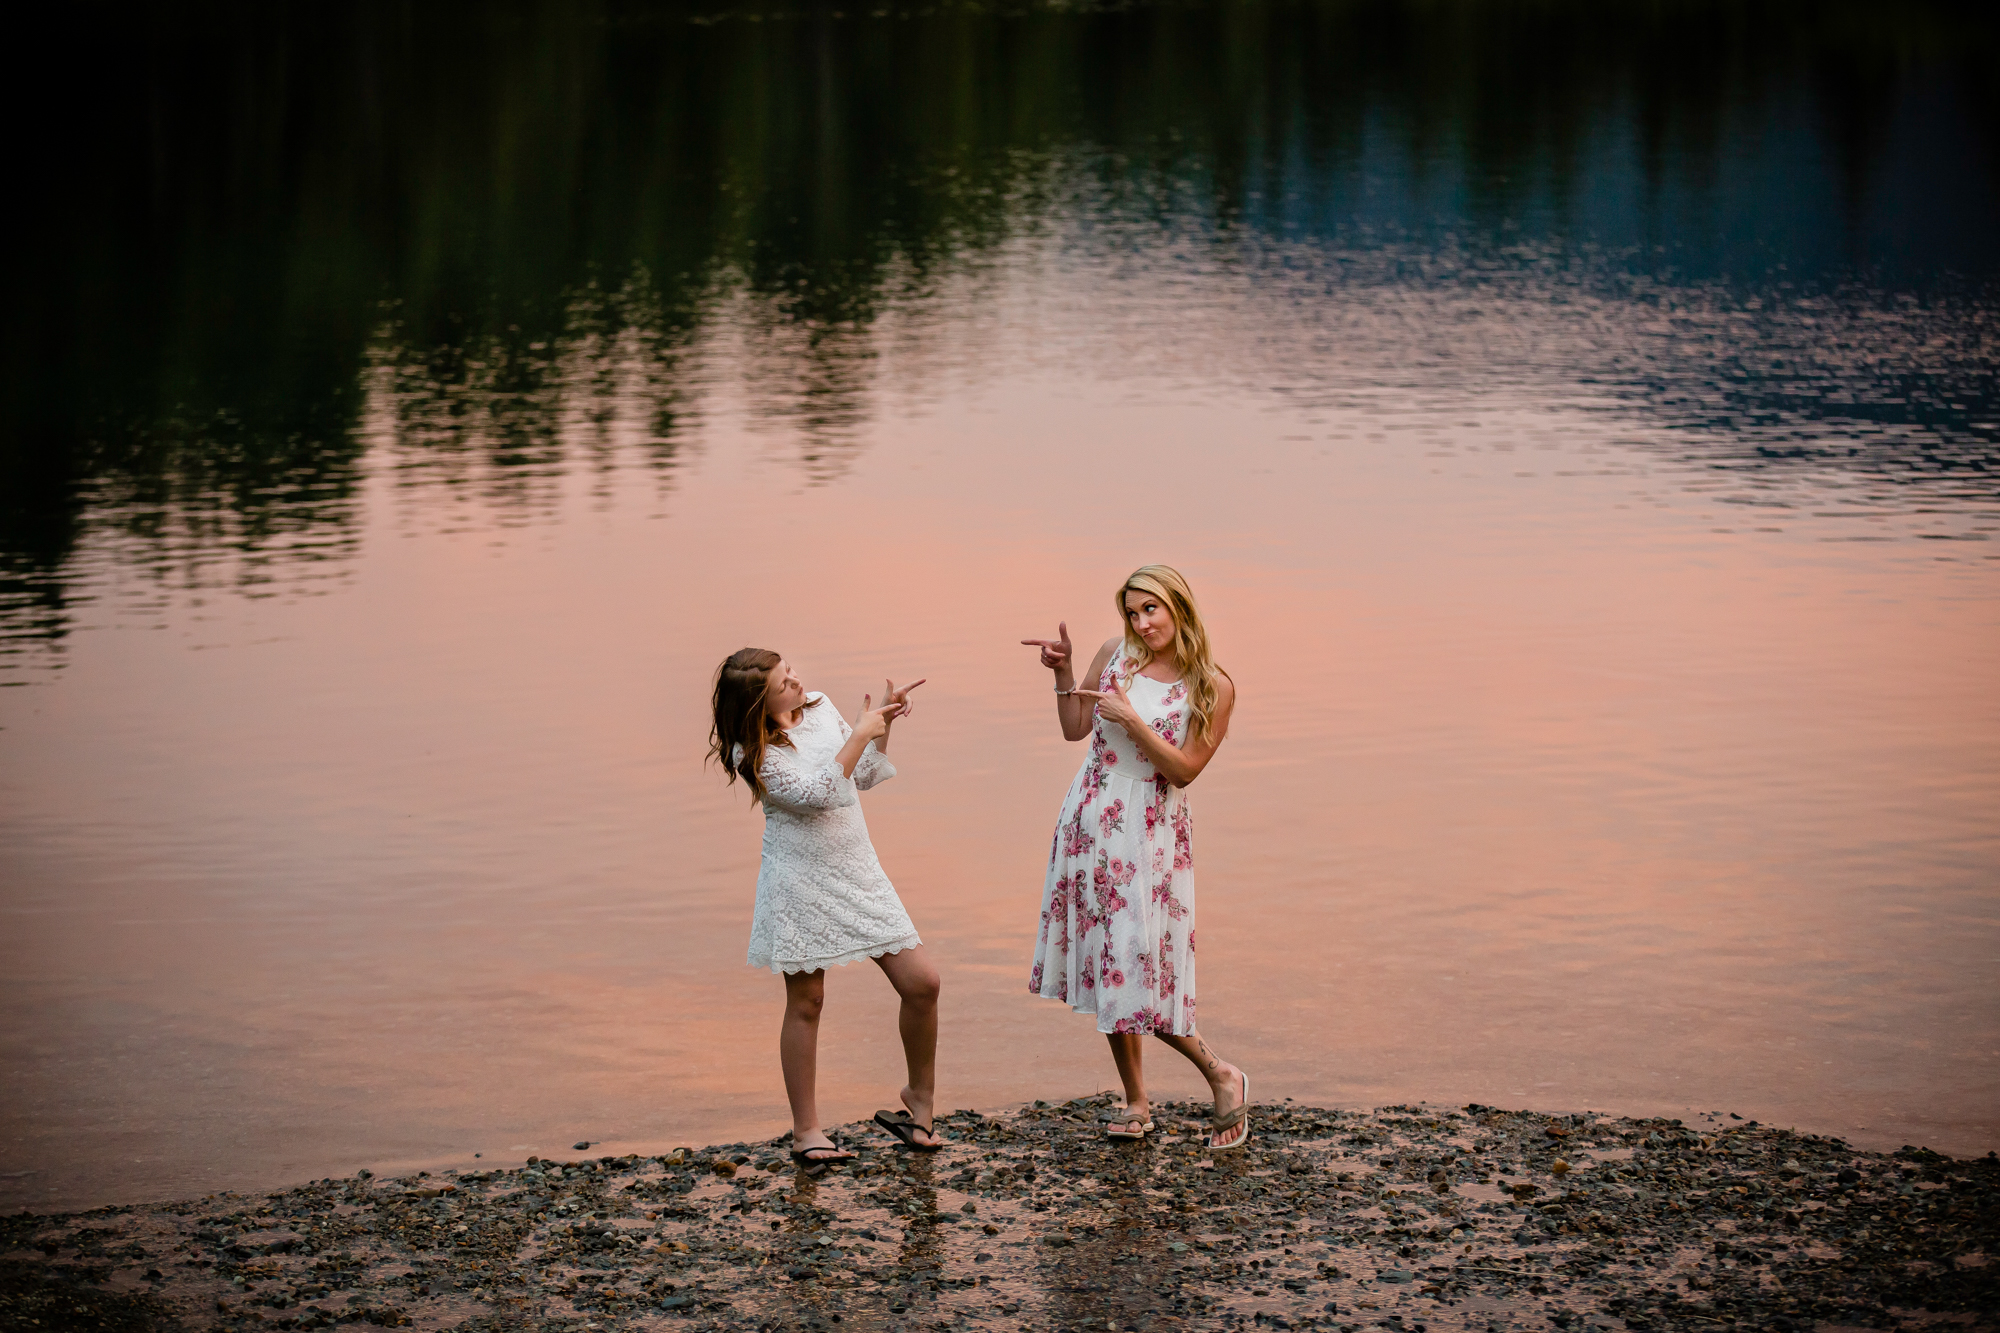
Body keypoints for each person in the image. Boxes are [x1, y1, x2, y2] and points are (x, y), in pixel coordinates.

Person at [1021, 564, 1252, 1149]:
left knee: (1142, 964)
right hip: (1091, 816)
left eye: (1151, 609)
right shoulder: (1114, 654)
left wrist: (1134, 721)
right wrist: (1066, 673)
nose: (1140, 622)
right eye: (1131, 611)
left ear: (1180, 608)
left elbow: (1184, 771)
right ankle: (1136, 1100)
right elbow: (1077, 729)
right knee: (1108, 959)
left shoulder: (1212, 686)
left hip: (1149, 829)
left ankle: (1221, 1073)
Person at [707, 649, 942, 1170]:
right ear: (757, 705)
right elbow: (817, 795)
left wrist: (880, 723)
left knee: (923, 982)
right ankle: (806, 1130)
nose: (798, 682)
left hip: (858, 871)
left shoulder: (818, 706)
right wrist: (859, 734)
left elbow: (858, 777)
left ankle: (919, 1101)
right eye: (784, 683)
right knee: (807, 1000)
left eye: (791, 672)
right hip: (799, 879)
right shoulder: (756, 755)